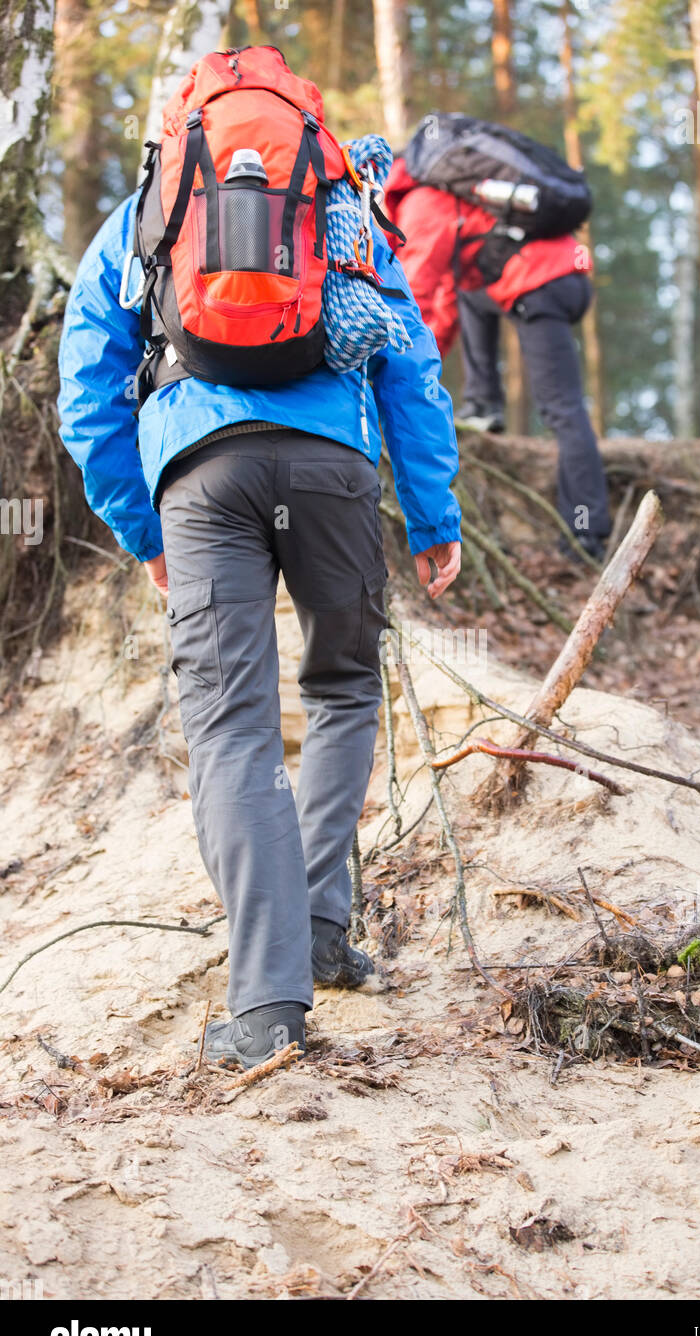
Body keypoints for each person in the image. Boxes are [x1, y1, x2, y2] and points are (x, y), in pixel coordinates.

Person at [57, 62, 462, 1071]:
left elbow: (85, 386)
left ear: (183, 130)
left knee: (233, 726)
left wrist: (141, 525)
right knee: (338, 688)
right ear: (307, 127)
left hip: (202, 475)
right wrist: (430, 513)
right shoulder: (345, 209)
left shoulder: (149, 215)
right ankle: (321, 928)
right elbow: (409, 361)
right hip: (329, 470)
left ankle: (268, 997)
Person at [384, 154, 610, 560]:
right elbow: (449, 301)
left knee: (562, 409)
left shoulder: (422, 204)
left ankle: (586, 533)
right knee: (472, 295)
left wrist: (388, 371)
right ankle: (485, 403)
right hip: (558, 273)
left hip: (542, 283)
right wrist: (422, 363)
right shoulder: (447, 195)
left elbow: (410, 299)